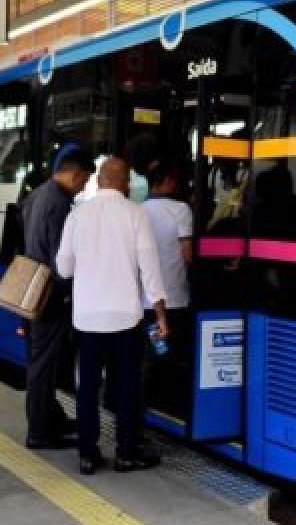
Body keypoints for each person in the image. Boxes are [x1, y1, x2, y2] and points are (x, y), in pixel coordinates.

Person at [56, 156, 169, 475]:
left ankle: (88, 455)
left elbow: (63, 267)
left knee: (88, 387)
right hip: (125, 319)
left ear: (100, 180)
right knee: (126, 386)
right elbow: (150, 268)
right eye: (130, 180)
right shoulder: (136, 214)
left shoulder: (77, 215)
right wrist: (160, 314)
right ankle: (125, 453)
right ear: (122, 182)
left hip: (87, 319)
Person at [19, 145, 94, 450]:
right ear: (75, 174)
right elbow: (62, 258)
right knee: (45, 364)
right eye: (85, 180)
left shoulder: (37, 195)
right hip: (49, 294)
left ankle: (51, 419)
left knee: (39, 361)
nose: (84, 186)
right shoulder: (61, 205)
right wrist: (68, 294)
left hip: (32, 287)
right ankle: (40, 432)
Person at [141, 160, 194, 415]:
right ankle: (161, 402)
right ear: (169, 181)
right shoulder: (181, 210)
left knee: (151, 351)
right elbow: (187, 254)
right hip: (173, 298)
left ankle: (143, 403)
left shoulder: (138, 210)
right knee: (165, 353)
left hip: (145, 300)